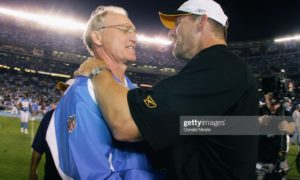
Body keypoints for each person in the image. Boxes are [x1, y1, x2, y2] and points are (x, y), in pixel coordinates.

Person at [76, 0, 259, 179]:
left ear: (201, 22)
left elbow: (126, 125)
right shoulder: (221, 70)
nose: (171, 33)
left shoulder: (222, 66)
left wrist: (98, 69)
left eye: (178, 23)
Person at [46, 6, 161, 180]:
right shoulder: (81, 92)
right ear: (97, 37)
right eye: (124, 29)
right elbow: (92, 175)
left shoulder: (135, 91)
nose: (134, 37)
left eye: (134, 31)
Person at [29, 80, 73, 180]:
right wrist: (32, 172)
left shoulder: (86, 118)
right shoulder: (50, 116)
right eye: (64, 90)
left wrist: (32, 172)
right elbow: (38, 147)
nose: (65, 93)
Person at [256, 93, 295, 180]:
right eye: (269, 99)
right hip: (260, 160)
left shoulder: (285, 113)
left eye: (274, 99)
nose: (272, 102)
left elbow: (292, 130)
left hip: (280, 160)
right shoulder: (258, 111)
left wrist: (287, 127)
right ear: (265, 99)